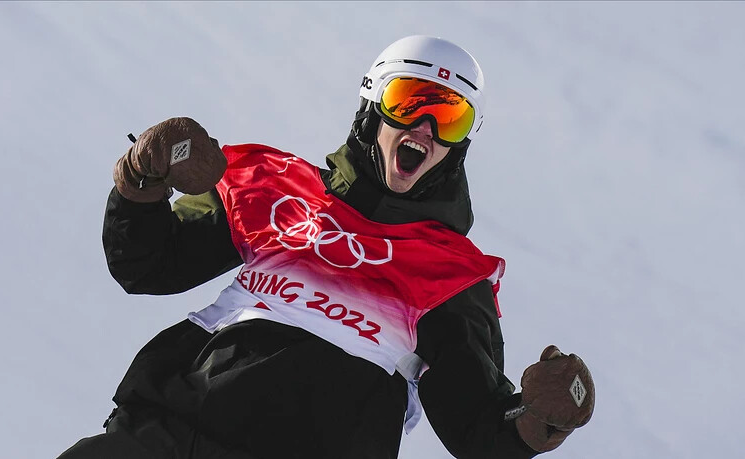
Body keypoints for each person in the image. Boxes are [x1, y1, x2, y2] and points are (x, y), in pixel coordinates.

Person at [58, 35, 594, 459]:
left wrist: (534, 420)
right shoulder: (276, 190)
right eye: (409, 104)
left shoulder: (451, 278)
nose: (426, 129)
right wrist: (142, 181)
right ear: (371, 105)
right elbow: (148, 265)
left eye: (450, 118)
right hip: (167, 432)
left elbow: (478, 428)